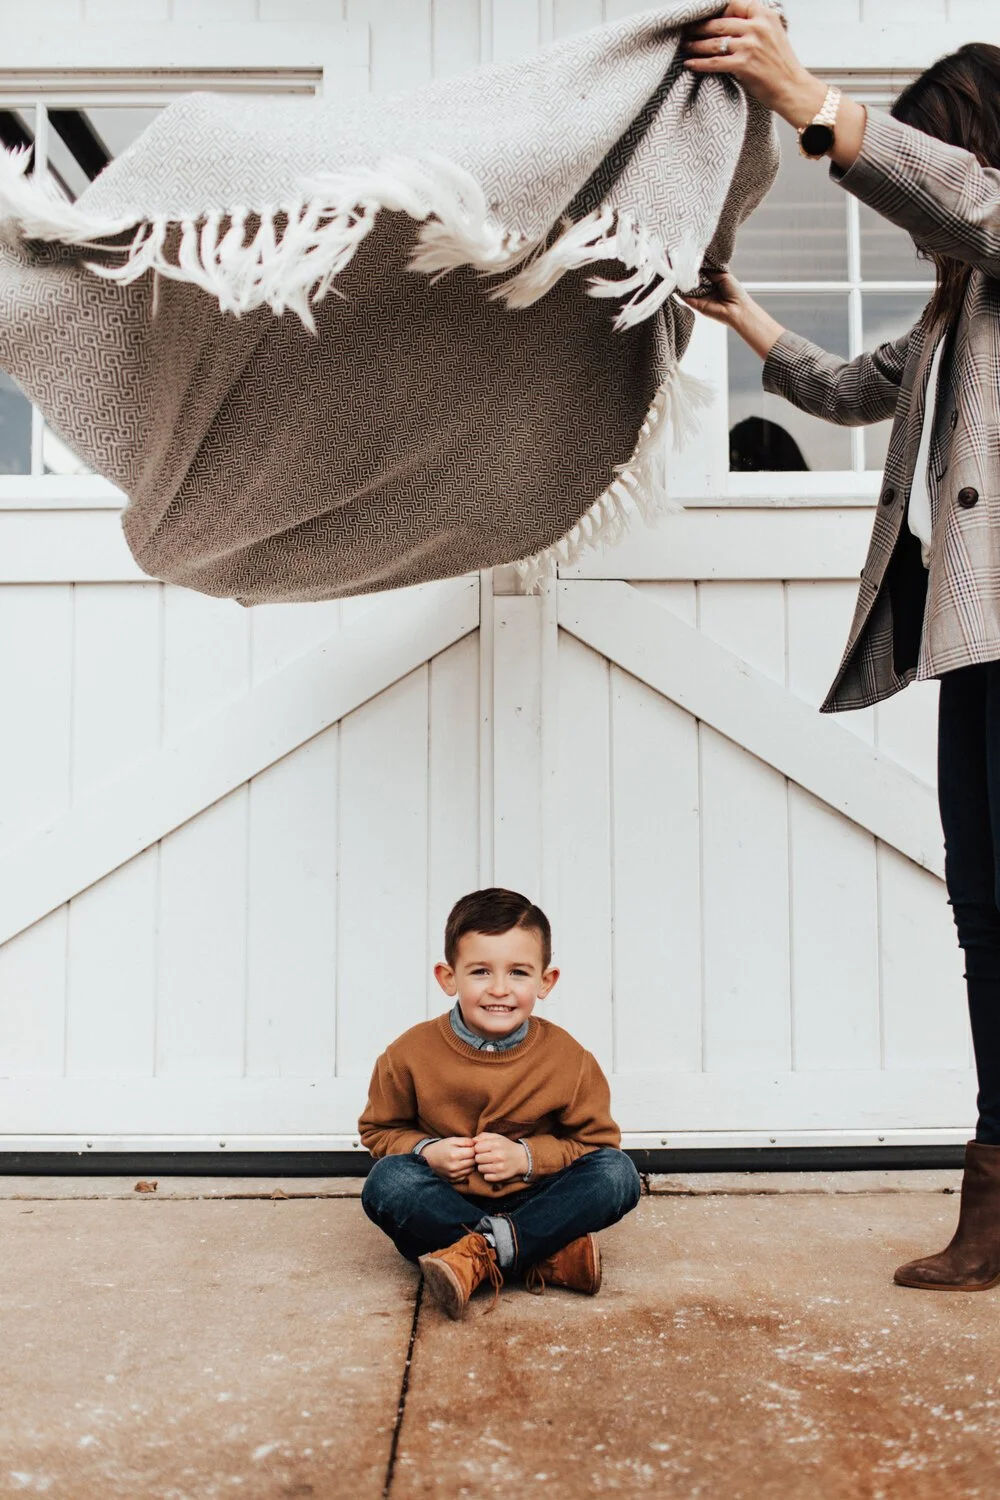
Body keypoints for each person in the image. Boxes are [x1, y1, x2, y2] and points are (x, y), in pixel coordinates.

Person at [681, 2, 1000, 1291]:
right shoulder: (953, 316)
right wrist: (746, 318)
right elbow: (848, 389)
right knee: (983, 914)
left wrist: (811, 101)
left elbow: (973, 201)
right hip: (968, 636)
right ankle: (994, 1196)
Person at [358, 888, 641, 1320]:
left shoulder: (568, 1058)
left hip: (539, 1200)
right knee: (387, 1184)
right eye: (480, 972)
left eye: (519, 973)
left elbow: (597, 1145)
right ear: (448, 976)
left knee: (618, 1175)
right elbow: (378, 1131)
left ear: (546, 981)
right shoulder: (408, 1053)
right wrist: (426, 1151)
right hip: (445, 1204)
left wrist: (526, 1158)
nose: (499, 990)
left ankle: (476, 1256)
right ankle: (542, 1255)